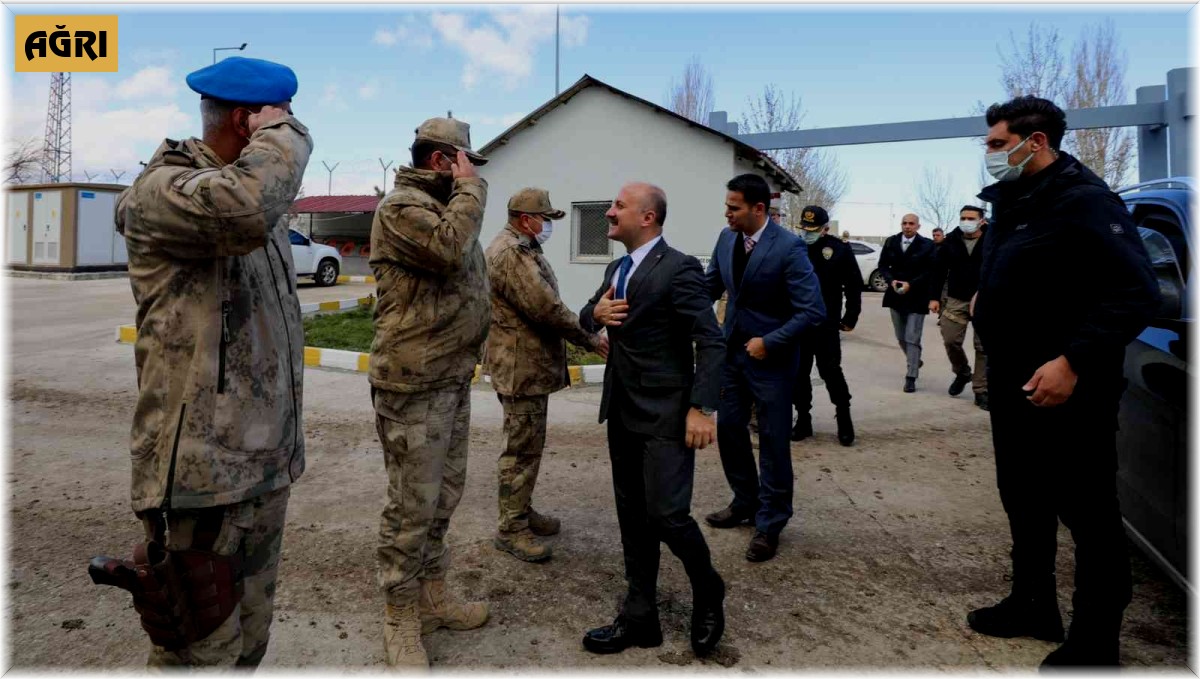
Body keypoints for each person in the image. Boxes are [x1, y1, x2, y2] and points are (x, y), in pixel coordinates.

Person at [103, 56, 311, 667]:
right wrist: (290, 136)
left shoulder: (243, 190)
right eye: (284, 120)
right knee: (199, 655)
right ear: (251, 124)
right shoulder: (164, 191)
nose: (293, 130)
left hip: (261, 466)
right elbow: (243, 208)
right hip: (205, 480)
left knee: (248, 645)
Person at [968, 95, 1159, 668]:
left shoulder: (1085, 202)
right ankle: (1032, 604)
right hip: (1014, 381)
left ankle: (1096, 641)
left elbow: (1136, 293)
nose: (991, 155)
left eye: (999, 145)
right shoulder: (1017, 199)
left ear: (1037, 142)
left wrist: (1072, 360)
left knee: (1088, 512)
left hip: (1069, 390)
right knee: (1023, 499)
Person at [578, 182, 726, 658]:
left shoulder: (679, 268)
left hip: (665, 412)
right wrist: (594, 315)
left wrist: (702, 408)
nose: (608, 212)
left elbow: (711, 340)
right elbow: (588, 316)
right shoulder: (616, 267)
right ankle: (640, 617)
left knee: (666, 515)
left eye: (618, 206)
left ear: (648, 217)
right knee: (633, 517)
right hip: (621, 411)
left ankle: (708, 590)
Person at [368, 117, 492, 667]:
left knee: (444, 499)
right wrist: (473, 191)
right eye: (467, 163)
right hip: (412, 383)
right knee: (411, 507)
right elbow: (447, 251)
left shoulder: (450, 208)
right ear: (444, 160)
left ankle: (433, 595)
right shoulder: (400, 209)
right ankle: (399, 616)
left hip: (449, 376)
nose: (472, 174)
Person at [703, 174, 825, 562]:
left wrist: (769, 342)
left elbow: (813, 311)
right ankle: (745, 502)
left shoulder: (789, 248)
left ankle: (770, 523)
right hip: (732, 356)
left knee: (773, 441)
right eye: (727, 206)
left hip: (772, 362)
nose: (727, 214)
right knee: (728, 429)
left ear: (758, 209)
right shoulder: (725, 239)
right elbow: (709, 287)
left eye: (734, 207)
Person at [484, 187, 609, 563]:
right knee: (521, 449)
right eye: (545, 219)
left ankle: (521, 510)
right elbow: (547, 309)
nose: (548, 225)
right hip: (520, 368)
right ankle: (511, 528)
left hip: (526, 365)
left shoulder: (522, 247)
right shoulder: (511, 253)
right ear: (526, 219)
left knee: (529, 445)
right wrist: (591, 338)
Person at [791, 205, 862, 446]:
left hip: (826, 322)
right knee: (799, 374)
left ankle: (843, 416)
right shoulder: (794, 248)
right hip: (797, 323)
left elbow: (853, 284)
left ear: (825, 228)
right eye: (805, 228)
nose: (807, 233)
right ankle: (803, 419)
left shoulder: (839, 250)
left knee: (830, 370)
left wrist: (851, 316)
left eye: (813, 229)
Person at [933, 206, 989, 410]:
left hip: (985, 299)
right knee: (950, 339)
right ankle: (963, 372)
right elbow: (939, 270)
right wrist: (934, 297)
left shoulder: (992, 239)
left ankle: (980, 389)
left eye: (971, 218)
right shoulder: (951, 240)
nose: (966, 221)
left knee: (982, 347)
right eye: (963, 217)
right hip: (956, 298)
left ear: (981, 221)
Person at [877, 213, 938, 393]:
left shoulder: (927, 245)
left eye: (911, 223)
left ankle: (911, 375)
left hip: (917, 296)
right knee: (901, 336)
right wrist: (891, 281)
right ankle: (915, 359)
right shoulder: (891, 242)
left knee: (912, 336)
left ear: (918, 226)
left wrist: (912, 284)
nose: (907, 226)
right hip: (895, 295)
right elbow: (882, 266)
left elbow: (931, 271)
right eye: (904, 223)